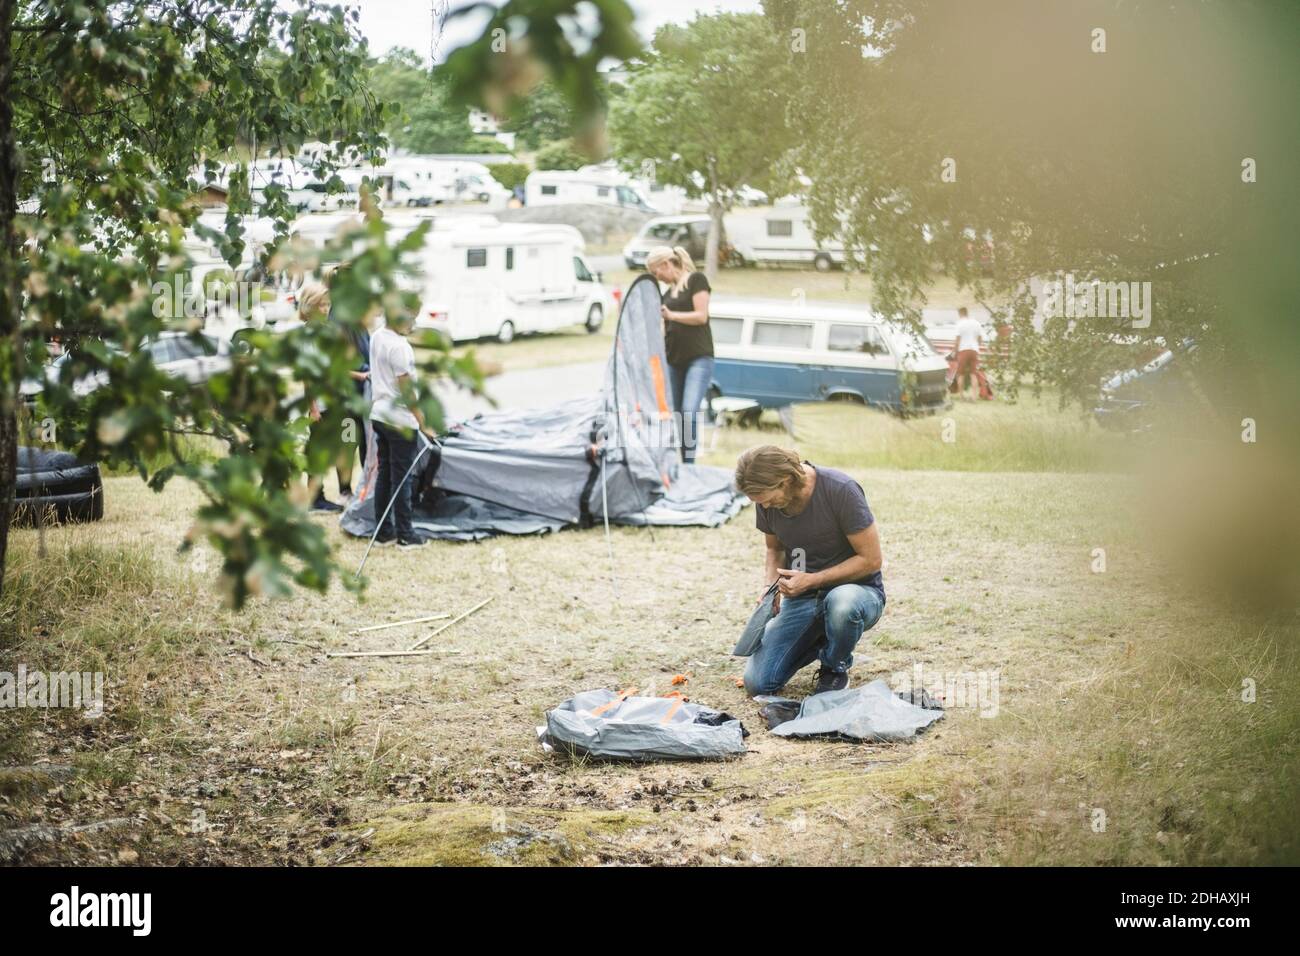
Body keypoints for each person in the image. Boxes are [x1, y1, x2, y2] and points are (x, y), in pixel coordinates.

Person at [734, 445, 885, 696]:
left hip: (856, 591)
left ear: (785, 481)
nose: (765, 506)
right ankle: (822, 636)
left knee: (842, 604)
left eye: (767, 499)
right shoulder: (766, 502)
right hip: (803, 596)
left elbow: (871, 560)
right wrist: (769, 587)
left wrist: (813, 580)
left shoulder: (840, 490)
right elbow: (775, 550)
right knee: (759, 683)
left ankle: (834, 666)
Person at [369, 310, 435, 548]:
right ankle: (406, 535)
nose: (415, 323)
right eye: (411, 318)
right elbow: (407, 392)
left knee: (385, 474)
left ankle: (383, 532)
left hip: (379, 415)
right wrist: (424, 423)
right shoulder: (400, 347)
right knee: (402, 478)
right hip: (399, 421)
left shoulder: (378, 336)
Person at [646, 245, 713, 464]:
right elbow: (664, 328)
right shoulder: (667, 294)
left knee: (689, 410)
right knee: (677, 415)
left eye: (657, 272)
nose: (659, 278)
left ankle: (690, 463)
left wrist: (672, 315)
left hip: (698, 358)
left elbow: (701, 316)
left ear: (666, 264)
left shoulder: (696, 281)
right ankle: (683, 462)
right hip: (674, 360)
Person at [296, 282, 353, 513]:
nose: (326, 309)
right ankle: (313, 500)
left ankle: (340, 492)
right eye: (321, 305)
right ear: (309, 307)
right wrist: (313, 408)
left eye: (328, 304)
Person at [951, 306, 983, 400]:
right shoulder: (976, 323)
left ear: (960, 314)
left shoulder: (959, 323)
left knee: (960, 374)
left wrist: (954, 352)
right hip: (974, 350)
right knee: (973, 374)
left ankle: (961, 396)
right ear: (967, 313)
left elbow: (958, 340)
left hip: (963, 350)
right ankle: (973, 397)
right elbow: (980, 339)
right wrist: (975, 346)